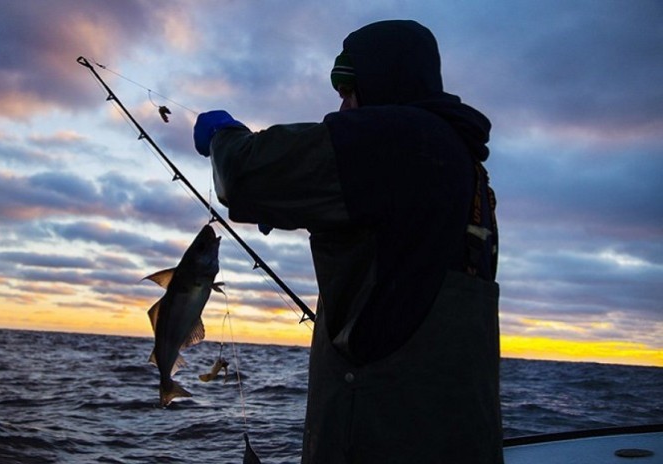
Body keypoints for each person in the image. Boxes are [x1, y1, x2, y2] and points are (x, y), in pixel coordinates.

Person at [193, 20, 502, 464]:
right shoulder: (462, 165)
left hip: (380, 436)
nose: (341, 104)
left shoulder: (396, 136)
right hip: (460, 438)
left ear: (385, 77)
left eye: (348, 86)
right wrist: (300, 205)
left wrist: (224, 136)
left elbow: (243, 176)